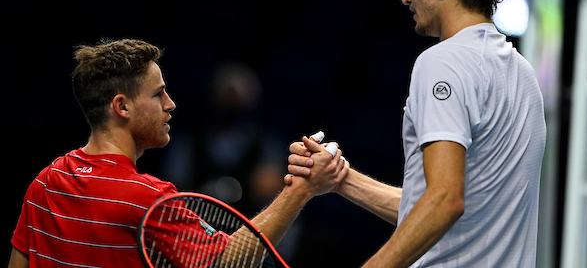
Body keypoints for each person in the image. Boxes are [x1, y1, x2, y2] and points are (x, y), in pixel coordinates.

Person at [286, 0, 546, 267]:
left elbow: (444, 202)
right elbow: (442, 208)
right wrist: (341, 179)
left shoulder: (443, 61)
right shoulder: (523, 74)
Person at [8, 39, 348, 268]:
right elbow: (228, 260)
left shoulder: (46, 182)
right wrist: (302, 187)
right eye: (158, 94)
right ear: (121, 106)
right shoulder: (149, 200)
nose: (170, 105)